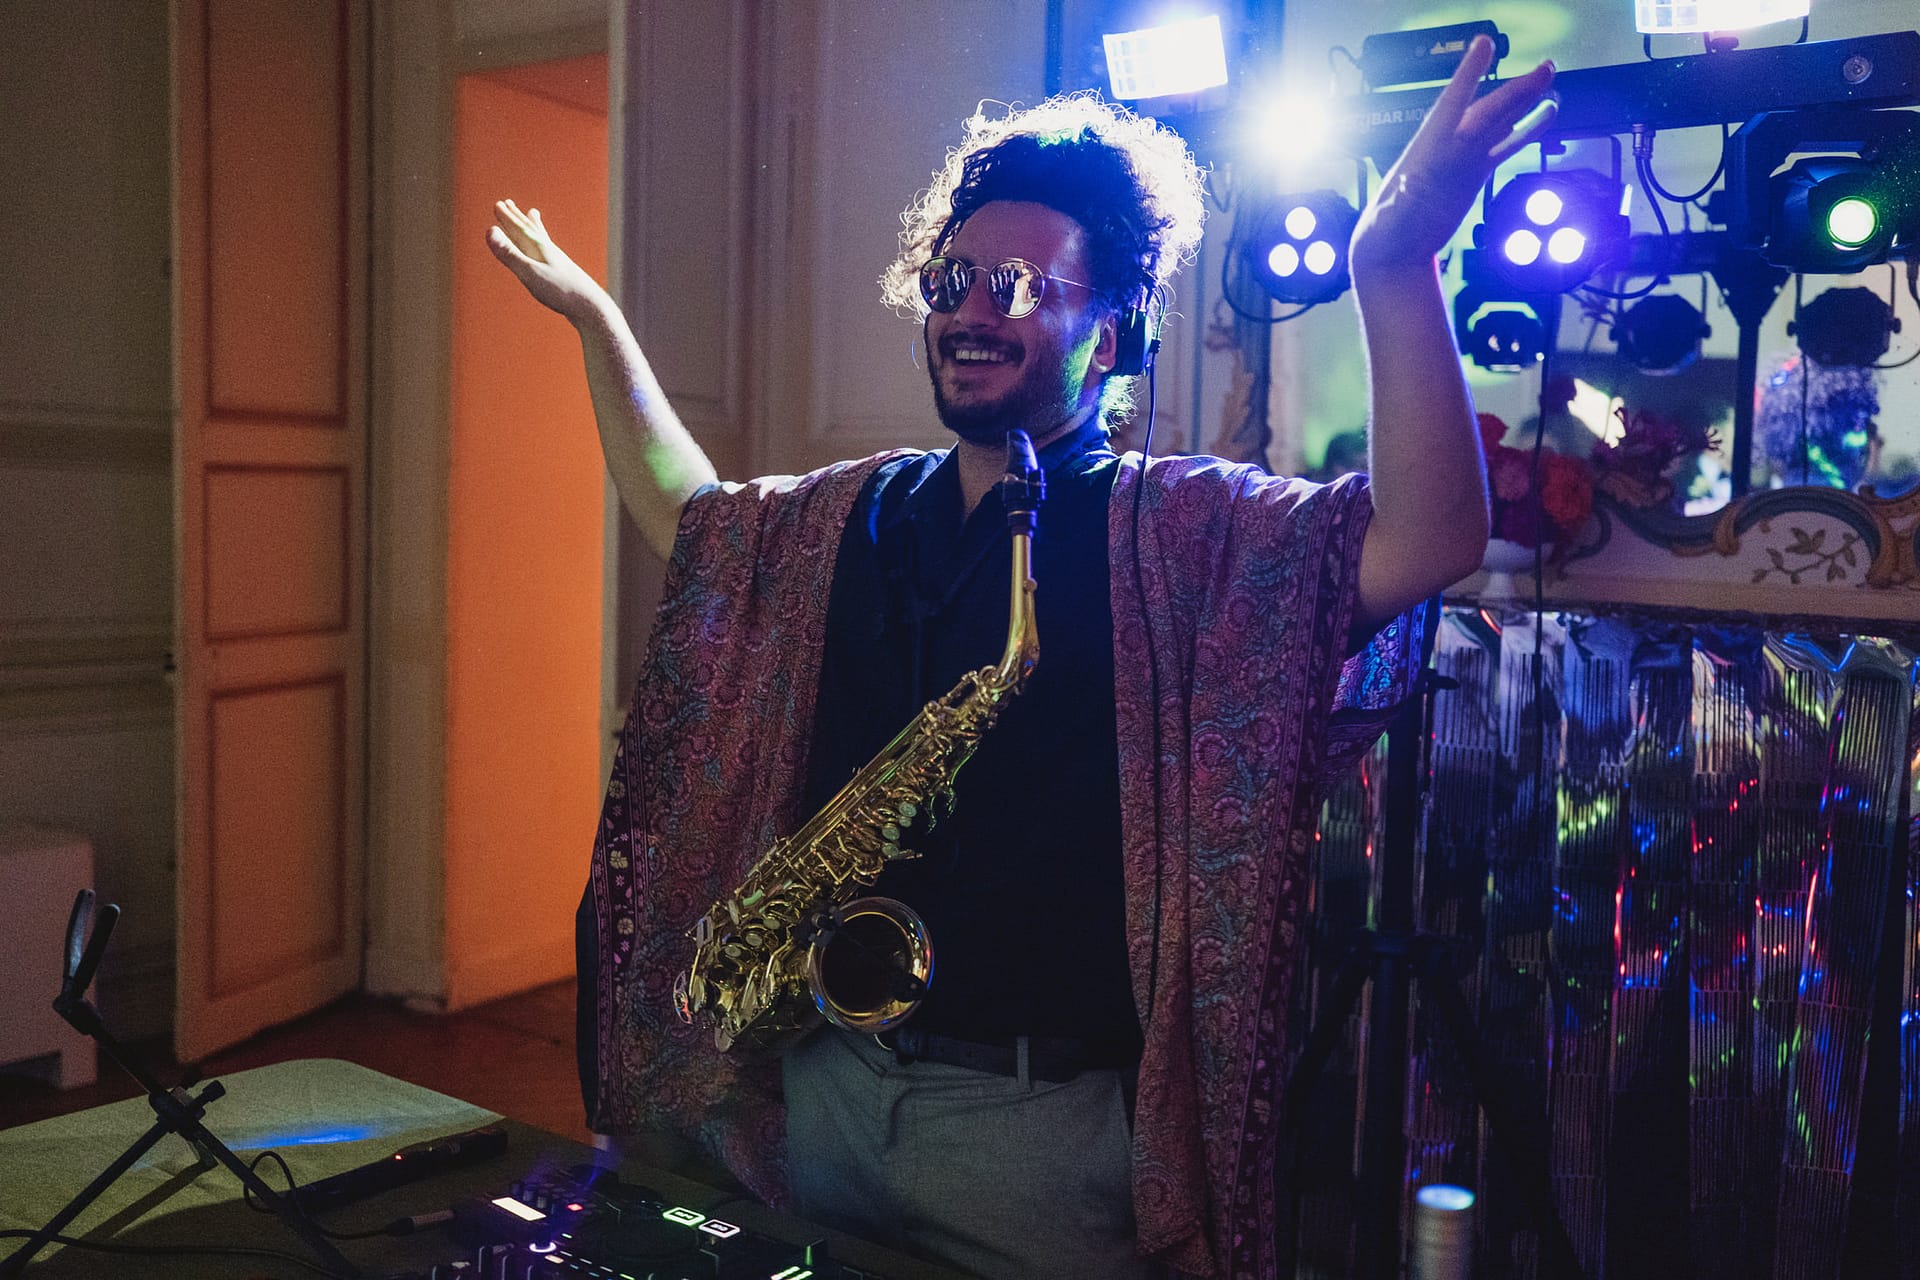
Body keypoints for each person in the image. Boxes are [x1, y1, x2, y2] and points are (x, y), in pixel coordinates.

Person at [487, 36, 1556, 1280]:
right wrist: (599, 321)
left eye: (1016, 283)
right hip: (823, 1093)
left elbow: (1431, 537)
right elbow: (692, 514)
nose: (969, 309)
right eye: (952, 277)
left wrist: (1394, 266)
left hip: (1038, 1144)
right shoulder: (856, 512)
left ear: (1115, 331)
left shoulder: (1193, 533)